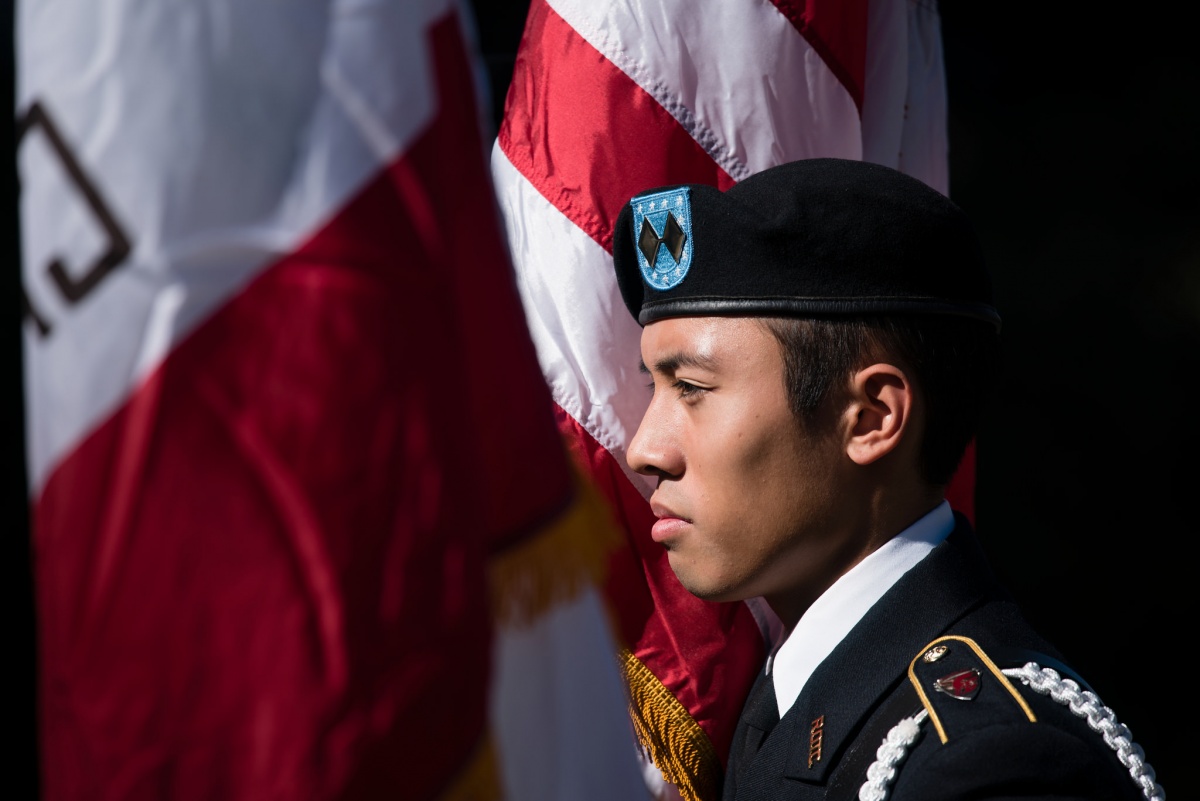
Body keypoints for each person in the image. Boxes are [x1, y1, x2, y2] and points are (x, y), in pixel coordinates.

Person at [609, 158, 1164, 801]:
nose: (644, 449)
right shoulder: (785, 705)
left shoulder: (994, 767)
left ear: (871, 418)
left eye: (694, 388)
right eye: (656, 386)